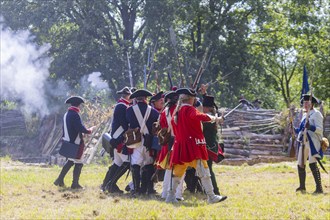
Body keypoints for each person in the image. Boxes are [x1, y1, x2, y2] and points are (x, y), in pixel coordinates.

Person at [166, 88, 227, 204]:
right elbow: (202, 116)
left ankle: (170, 197)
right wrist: (217, 119)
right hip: (193, 146)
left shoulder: (177, 111)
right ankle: (212, 196)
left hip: (180, 147)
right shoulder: (189, 109)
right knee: (204, 172)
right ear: (191, 99)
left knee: (176, 174)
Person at [54, 96, 95, 189]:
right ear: (79, 105)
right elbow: (80, 128)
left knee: (70, 161)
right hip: (75, 142)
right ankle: (75, 184)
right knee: (79, 162)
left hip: (68, 141)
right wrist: (90, 130)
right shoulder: (75, 114)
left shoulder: (66, 114)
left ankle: (59, 180)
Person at [126, 89, 159, 195]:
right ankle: (149, 189)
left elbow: (128, 122)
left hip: (136, 140)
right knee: (149, 164)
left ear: (136, 98)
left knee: (135, 164)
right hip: (148, 141)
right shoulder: (153, 111)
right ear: (146, 98)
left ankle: (136, 189)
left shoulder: (130, 110)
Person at [101, 87, 132, 193]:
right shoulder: (122, 106)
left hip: (118, 137)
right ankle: (111, 184)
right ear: (127, 96)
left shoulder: (122, 105)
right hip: (119, 137)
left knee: (117, 163)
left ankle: (106, 184)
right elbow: (124, 123)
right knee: (126, 163)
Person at [156, 90, 185, 201]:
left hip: (169, 142)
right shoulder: (180, 111)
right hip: (179, 141)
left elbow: (163, 126)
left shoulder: (165, 111)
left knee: (169, 169)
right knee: (180, 168)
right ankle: (177, 194)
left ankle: (164, 192)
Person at [295, 94, 324, 194]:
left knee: (312, 164)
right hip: (303, 142)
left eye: (307, 102)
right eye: (304, 103)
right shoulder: (304, 115)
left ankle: (319, 188)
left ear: (312, 103)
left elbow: (320, 130)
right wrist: (293, 129)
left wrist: (311, 127)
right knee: (300, 164)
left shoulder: (317, 114)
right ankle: (302, 187)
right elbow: (301, 129)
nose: (305, 104)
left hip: (313, 142)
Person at [202, 95, 223, 195]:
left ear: (208, 107)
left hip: (208, 147)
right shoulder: (212, 116)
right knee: (206, 169)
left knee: (208, 169)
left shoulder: (208, 118)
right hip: (210, 146)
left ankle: (215, 191)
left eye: (204, 106)